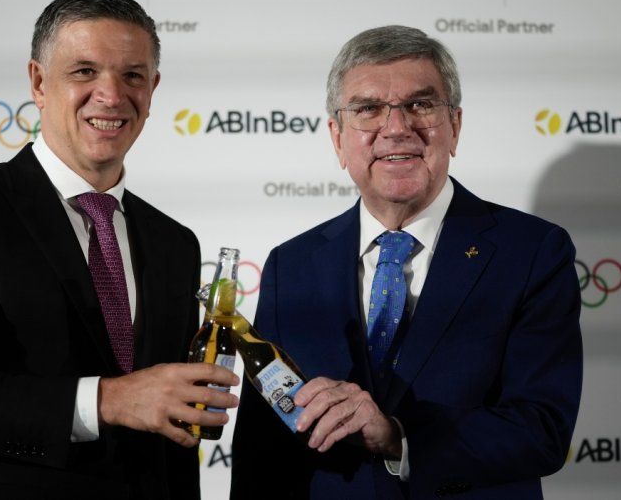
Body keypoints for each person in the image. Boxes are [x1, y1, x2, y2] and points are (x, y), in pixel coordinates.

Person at [0, 0, 238, 500]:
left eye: (132, 75)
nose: (112, 95)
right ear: (38, 81)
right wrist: (107, 399)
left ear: (153, 88)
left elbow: (171, 432)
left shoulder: (174, 242)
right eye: (84, 72)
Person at [231, 26, 582, 499]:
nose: (396, 128)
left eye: (420, 104)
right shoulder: (290, 265)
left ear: (454, 126)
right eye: (368, 109)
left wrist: (396, 435)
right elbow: (263, 449)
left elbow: (543, 429)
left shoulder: (533, 251)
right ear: (337, 137)